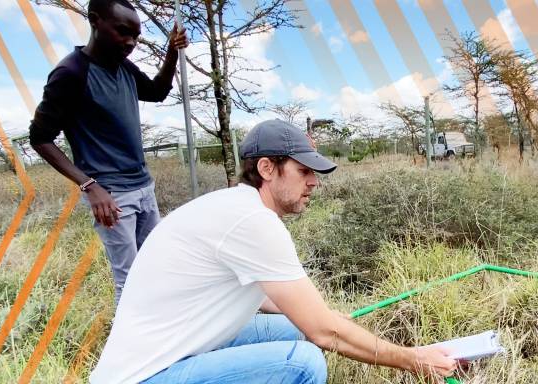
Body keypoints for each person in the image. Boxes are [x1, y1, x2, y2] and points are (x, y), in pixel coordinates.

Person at [89, 120, 457, 383]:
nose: (314, 181)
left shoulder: (236, 207)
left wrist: (322, 316)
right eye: (303, 170)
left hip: (174, 347)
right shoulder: (253, 221)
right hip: (146, 374)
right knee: (304, 362)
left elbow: (278, 301)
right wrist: (414, 359)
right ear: (267, 168)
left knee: (295, 328)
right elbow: (325, 334)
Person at [28, 0, 188, 302]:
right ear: (95, 21)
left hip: (143, 186)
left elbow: (157, 92)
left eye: (136, 37)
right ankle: (132, 348)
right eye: (123, 32)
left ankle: (161, 333)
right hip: (112, 197)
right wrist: (90, 185)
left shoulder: (123, 67)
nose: (131, 43)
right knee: (128, 279)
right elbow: (40, 138)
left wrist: (171, 52)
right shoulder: (71, 73)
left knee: (155, 264)